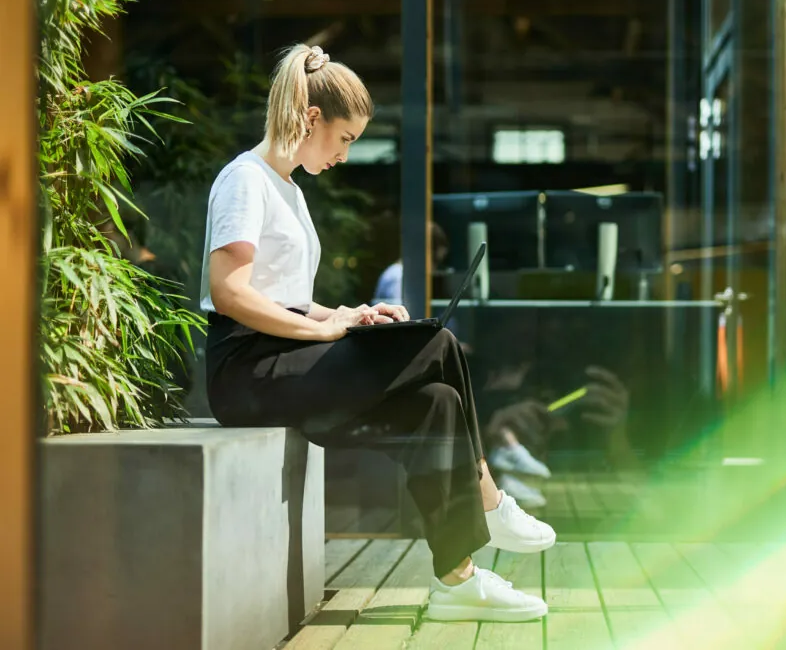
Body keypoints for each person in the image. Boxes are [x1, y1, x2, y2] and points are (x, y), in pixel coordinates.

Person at [200, 44, 553, 623]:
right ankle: (489, 497)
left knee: (435, 403)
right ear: (312, 119)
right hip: (246, 373)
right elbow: (231, 294)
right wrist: (322, 334)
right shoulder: (246, 180)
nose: (345, 153)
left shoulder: (288, 189)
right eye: (345, 138)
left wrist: (343, 313)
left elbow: (280, 295)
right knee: (436, 342)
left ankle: (457, 581)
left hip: (285, 361)